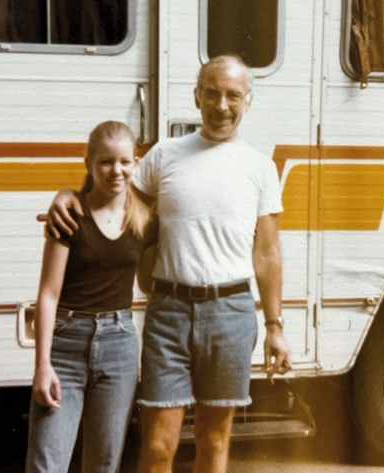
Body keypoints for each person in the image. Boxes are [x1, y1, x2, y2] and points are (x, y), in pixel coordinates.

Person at [47, 55, 292, 473]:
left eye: (233, 95)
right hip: (169, 313)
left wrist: (274, 327)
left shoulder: (259, 167)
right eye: (211, 93)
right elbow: (116, 205)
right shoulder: (165, 155)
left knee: (215, 442)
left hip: (231, 314)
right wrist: (70, 193)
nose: (221, 105)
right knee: (159, 445)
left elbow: (267, 252)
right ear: (197, 97)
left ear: (248, 101)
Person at [26, 121, 156, 473]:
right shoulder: (70, 215)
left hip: (119, 346)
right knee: (46, 464)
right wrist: (42, 366)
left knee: (104, 464)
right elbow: (49, 295)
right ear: (89, 164)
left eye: (125, 162)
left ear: (136, 164)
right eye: (106, 162)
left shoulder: (144, 220)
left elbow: (148, 280)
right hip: (66, 346)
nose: (117, 170)